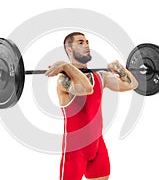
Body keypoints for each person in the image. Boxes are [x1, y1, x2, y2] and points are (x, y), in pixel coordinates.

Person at [45, 32, 138, 180]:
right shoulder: (63, 80)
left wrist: (120, 68)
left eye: (87, 42)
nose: (87, 45)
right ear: (69, 49)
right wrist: (66, 67)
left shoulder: (101, 77)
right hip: (75, 150)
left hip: (97, 145)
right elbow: (86, 89)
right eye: (80, 42)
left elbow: (132, 84)